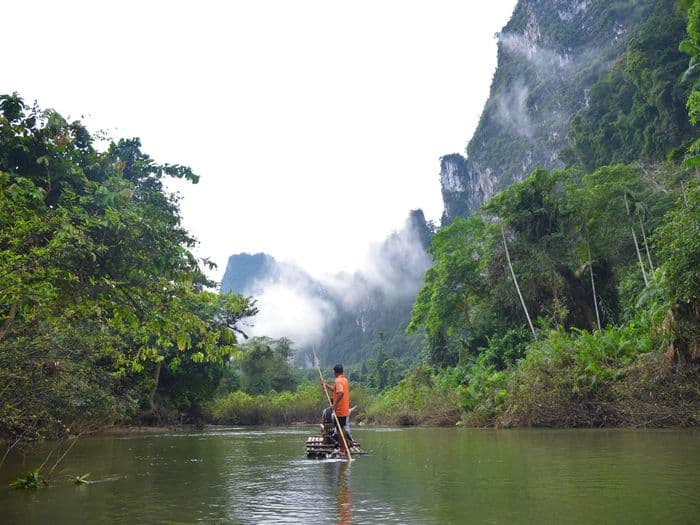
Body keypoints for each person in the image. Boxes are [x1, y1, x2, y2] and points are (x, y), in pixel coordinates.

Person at [322, 364, 351, 450]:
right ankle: (344, 447)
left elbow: (341, 393)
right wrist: (326, 385)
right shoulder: (344, 380)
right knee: (341, 427)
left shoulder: (338, 381)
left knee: (339, 429)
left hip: (340, 409)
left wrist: (335, 405)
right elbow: (336, 391)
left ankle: (342, 449)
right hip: (344, 409)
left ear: (335, 372)